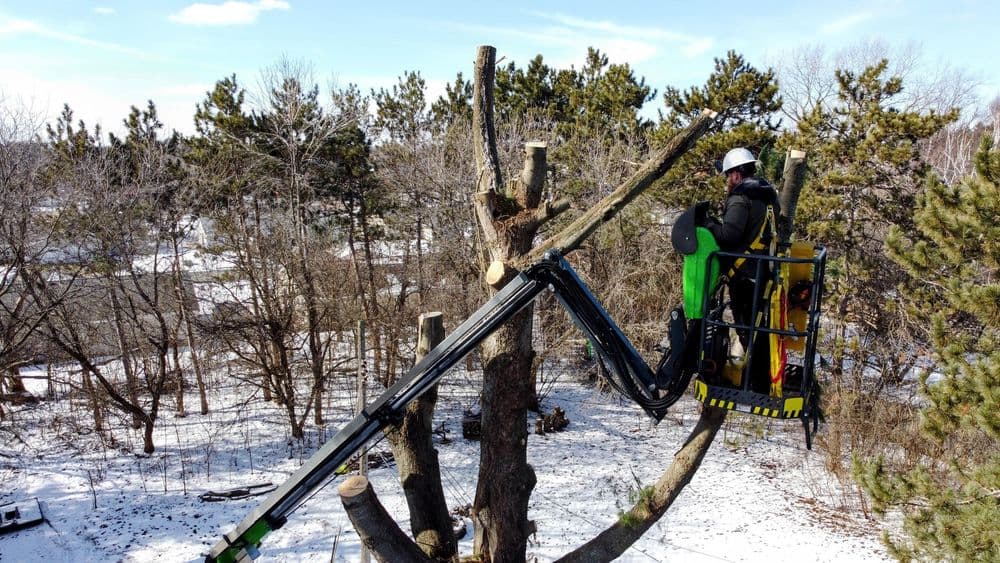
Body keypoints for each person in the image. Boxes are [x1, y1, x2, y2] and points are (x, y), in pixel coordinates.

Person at [702, 147, 779, 392]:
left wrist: (708, 223)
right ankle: (761, 378)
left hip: (744, 274)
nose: (727, 181)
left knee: (747, 327)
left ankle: (758, 383)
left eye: (727, 176)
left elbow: (729, 235)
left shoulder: (740, 197)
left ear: (736, 174)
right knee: (757, 326)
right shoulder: (768, 196)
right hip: (763, 270)